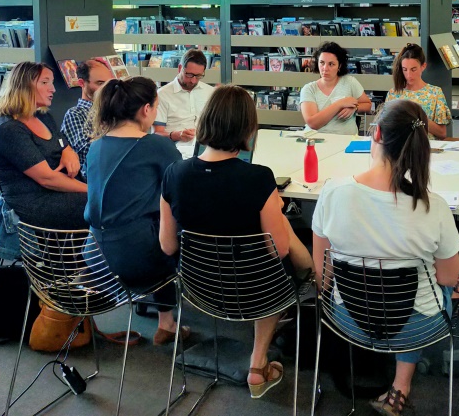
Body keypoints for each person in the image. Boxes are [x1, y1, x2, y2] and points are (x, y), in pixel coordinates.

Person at [159, 85, 312, 400]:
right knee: (283, 268)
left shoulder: (174, 173)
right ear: (248, 128)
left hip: (199, 290)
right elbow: (278, 250)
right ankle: (258, 362)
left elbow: (168, 246)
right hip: (256, 292)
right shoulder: (258, 178)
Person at [312, 99, 459, 416]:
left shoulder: (333, 193)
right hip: (417, 328)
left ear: (376, 133)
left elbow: (322, 276)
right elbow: (447, 278)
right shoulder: (432, 206)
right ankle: (401, 386)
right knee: (451, 285)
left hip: (348, 320)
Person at [85, 76, 188, 345]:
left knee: (152, 219)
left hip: (95, 258)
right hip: (136, 260)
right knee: (173, 226)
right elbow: (183, 186)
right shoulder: (156, 144)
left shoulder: (96, 145)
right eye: (156, 107)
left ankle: (167, 322)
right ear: (146, 110)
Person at [0, 61, 87, 229]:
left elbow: (63, 142)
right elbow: (47, 179)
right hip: (38, 202)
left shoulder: (43, 117)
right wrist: (92, 190)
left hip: (59, 193)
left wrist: (69, 152)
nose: (53, 89)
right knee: (108, 203)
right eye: (45, 82)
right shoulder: (10, 129)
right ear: (24, 86)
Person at [299, 41, 373, 135]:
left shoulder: (350, 82)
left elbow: (368, 105)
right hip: (316, 141)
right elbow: (313, 123)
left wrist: (354, 108)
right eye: (322, 63)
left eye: (331, 64)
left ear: (339, 66)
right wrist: (340, 103)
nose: (325, 68)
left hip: (346, 141)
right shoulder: (309, 89)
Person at [385, 43, 452, 138]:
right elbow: (386, 127)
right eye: (405, 70)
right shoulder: (393, 94)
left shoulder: (435, 93)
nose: (409, 75)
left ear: (423, 66)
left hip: (425, 148)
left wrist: (420, 120)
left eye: (413, 69)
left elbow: (442, 133)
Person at [61, 57, 113, 170]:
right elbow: (87, 152)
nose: (105, 89)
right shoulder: (75, 114)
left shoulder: (113, 111)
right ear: (82, 83)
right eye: (100, 83)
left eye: (108, 84)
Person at [155, 48, 214, 143]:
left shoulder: (210, 92)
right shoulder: (163, 94)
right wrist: (176, 135)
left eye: (198, 76)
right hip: (175, 148)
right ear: (180, 68)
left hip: (203, 149)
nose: (193, 80)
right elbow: (156, 134)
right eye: (189, 75)